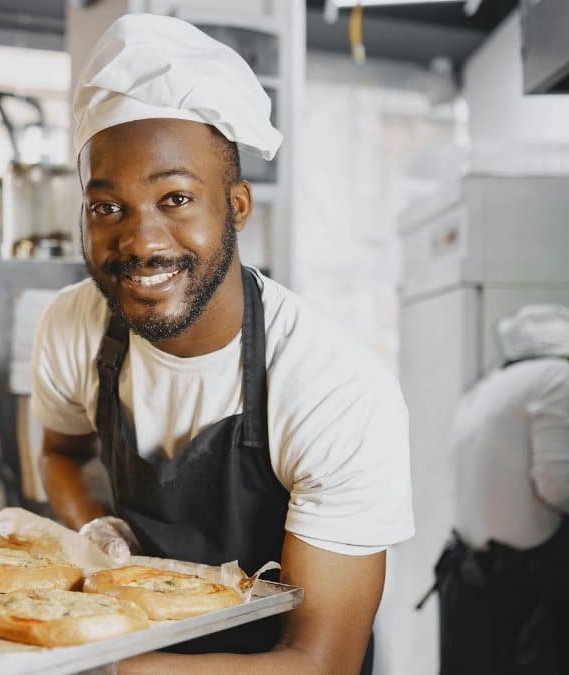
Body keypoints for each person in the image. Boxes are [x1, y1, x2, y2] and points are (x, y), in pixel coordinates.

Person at [31, 14, 413, 674]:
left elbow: (319, 661)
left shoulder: (332, 386)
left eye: (175, 197)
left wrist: (106, 666)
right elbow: (59, 452)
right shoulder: (73, 329)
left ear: (237, 206)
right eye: (105, 206)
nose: (141, 240)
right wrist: (98, 530)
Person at [427, 305, 569, 674]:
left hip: (470, 574)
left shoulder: (489, 385)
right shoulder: (558, 378)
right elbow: (558, 485)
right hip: (524, 583)